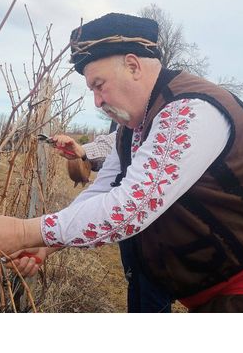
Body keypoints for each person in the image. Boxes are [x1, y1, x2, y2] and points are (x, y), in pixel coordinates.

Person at [0, 12, 243, 312]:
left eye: (99, 85)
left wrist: (25, 232)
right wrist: (50, 243)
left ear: (132, 65)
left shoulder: (189, 111)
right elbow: (104, 188)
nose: (97, 101)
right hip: (231, 287)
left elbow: (130, 208)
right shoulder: (134, 126)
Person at [52, 131, 173, 312]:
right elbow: (115, 145)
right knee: (135, 282)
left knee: (152, 293)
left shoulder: (173, 120)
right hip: (132, 236)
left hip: (160, 234)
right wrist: (48, 236)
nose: (99, 102)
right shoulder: (128, 128)